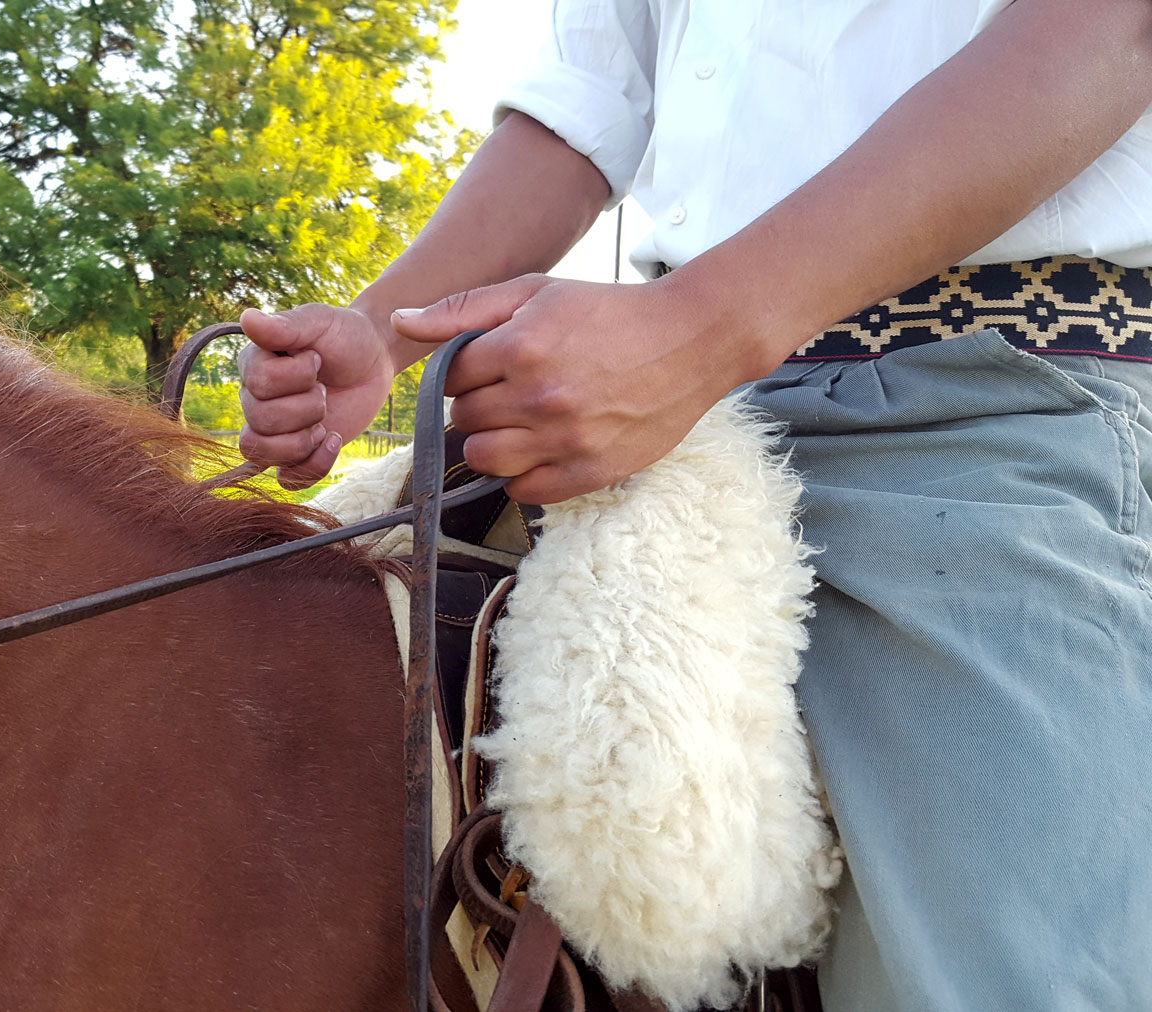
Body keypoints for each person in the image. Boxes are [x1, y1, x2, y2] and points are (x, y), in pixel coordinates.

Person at [235, 1, 1152, 1009]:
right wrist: (382, 329)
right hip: (666, 415)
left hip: (997, 398)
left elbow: (1112, 28)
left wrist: (697, 333)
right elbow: (583, 107)